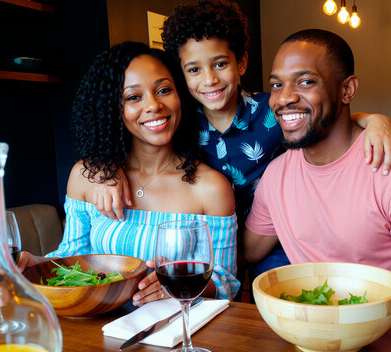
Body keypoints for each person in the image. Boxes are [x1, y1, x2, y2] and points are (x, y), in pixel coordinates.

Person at [92, 0, 391, 283]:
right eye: (194, 70)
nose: (210, 80)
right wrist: (107, 169)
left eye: (220, 64)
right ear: (182, 74)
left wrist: (375, 120)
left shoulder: (272, 110)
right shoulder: (178, 119)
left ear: (241, 62)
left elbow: (324, 121)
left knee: (285, 299)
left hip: (273, 241)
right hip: (208, 240)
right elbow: (136, 142)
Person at [244, 29, 391, 327]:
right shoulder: (276, 174)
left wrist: (331, 322)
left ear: (347, 90)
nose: (285, 98)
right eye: (277, 84)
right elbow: (247, 252)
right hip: (309, 339)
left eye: (305, 81)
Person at [17, 41, 240, 303]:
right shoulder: (87, 176)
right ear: (113, 109)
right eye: (134, 97)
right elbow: (73, 257)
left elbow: (226, 282)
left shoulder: (210, 188)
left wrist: (176, 283)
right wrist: (37, 263)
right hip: (99, 326)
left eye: (164, 90)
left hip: (176, 328)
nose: (154, 105)